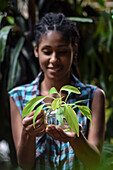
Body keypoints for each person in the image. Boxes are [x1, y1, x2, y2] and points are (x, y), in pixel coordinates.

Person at [9, 12, 105, 170]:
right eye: (47, 52)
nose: (54, 59)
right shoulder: (19, 96)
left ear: (74, 50)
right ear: (36, 51)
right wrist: (28, 134)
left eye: (62, 52)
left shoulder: (93, 96)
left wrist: (76, 138)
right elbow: (25, 165)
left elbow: (95, 162)